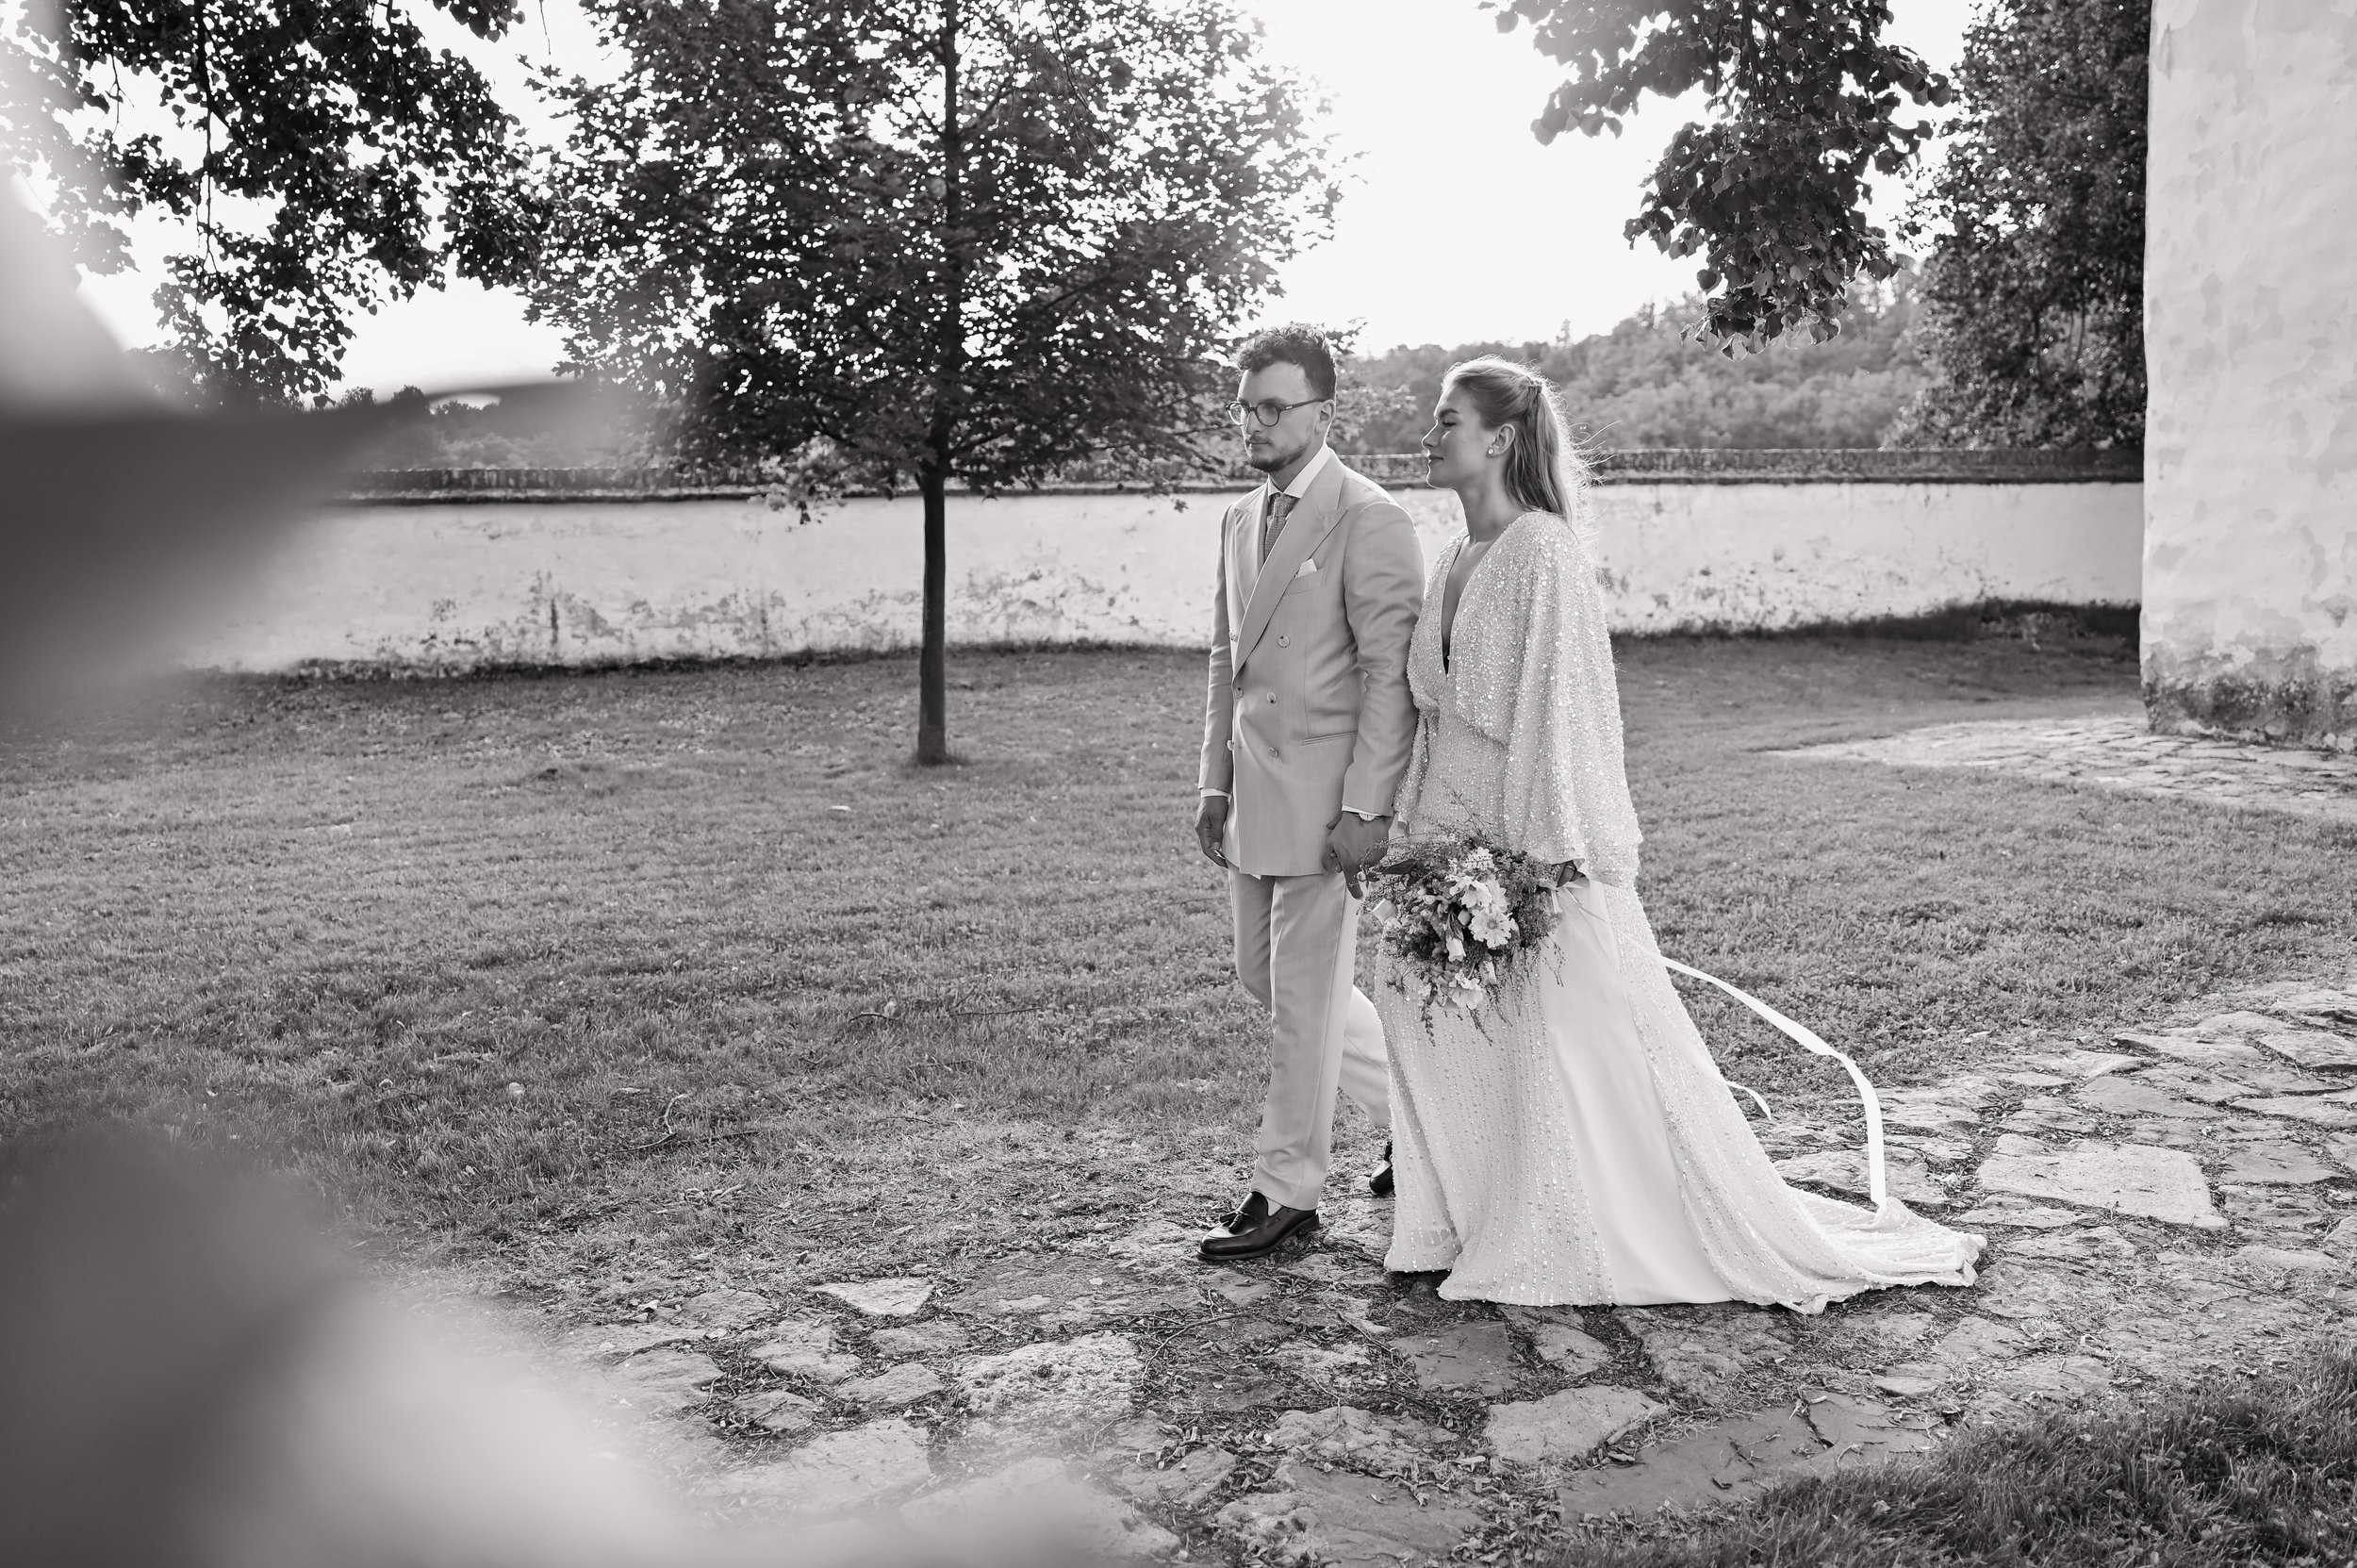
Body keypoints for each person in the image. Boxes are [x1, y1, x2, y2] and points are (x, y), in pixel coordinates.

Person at [1376, 356, 1983, 1310]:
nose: (1429, 434)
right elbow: (1429, 715)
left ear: (1497, 438)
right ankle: (1459, 1213)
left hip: (1523, 829)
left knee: (1555, 1040)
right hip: (1446, 823)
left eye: (1445, 419)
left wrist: (1542, 857)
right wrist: (1413, 839)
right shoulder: (1450, 558)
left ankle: (1560, 1220)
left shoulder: (1545, 552)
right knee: (1424, 1009)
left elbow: (1566, 707)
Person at [1194, 324, 1426, 1262]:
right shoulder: (1237, 519)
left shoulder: (1368, 516)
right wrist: (1212, 777)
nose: (1254, 421)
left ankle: (1285, 1190)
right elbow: (1224, 656)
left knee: (1299, 1000)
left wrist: (1368, 808)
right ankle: (1425, 1126)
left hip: (1329, 803)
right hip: (1253, 791)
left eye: (1273, 405)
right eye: (1246, 405)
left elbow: (1389, 675)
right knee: (1268, 979)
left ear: (1322, 410)